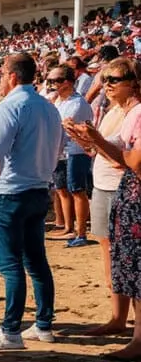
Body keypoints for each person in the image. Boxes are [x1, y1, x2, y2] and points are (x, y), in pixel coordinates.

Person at [0, 54, 64, 352]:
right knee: (36, 262)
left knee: (12, 265)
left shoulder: (10, 107)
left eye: (1, 76)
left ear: (11, 76)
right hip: (38, 188)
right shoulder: (48, 108)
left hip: (9, 191)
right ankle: (43, 323)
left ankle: (11, 330)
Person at [67, 57, 141, 340]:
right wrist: (84, 138)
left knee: (123, 258)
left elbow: (127, 161)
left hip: (121, 189)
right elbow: (102, 152)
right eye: (104, 79)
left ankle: (127, 324)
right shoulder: (113, 110)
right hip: (105, 186)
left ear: (133, 82)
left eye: (114, 79)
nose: (106, 84)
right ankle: (117, 318)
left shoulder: (135, 112)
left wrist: (95, 140)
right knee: (112, 257)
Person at [48, 65, 96, 247]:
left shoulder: (77, 103)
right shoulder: (60, 100)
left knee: (77, 190)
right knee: (62, 190)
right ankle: (68, 227)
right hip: (63, 151)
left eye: (56, 81)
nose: (52, 84)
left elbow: (60, 126)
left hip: (76, 150)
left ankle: (80, 232)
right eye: (50, 80)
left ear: (67, 82)